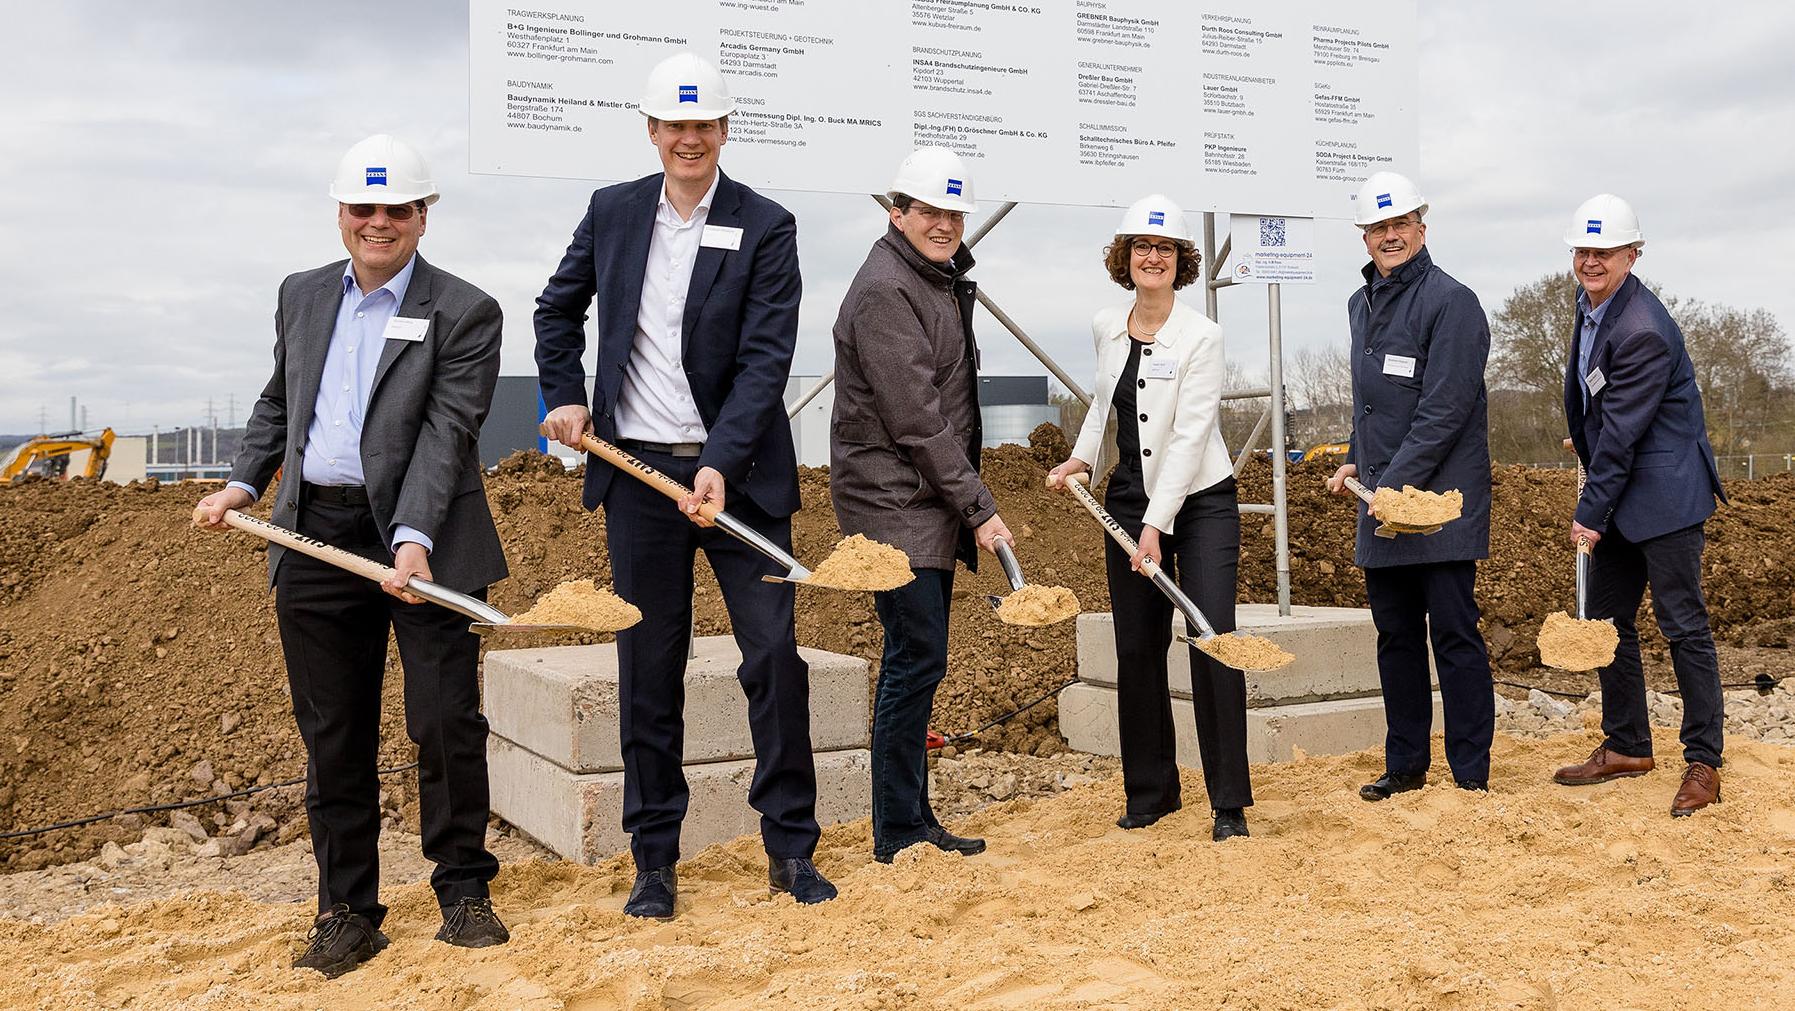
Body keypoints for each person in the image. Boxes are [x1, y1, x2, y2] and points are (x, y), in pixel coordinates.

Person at [193, 135, 510, 977]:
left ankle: (463, 889)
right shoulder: (301, 296)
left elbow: (447, 434)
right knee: (334, 731)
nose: (378, 223)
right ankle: (348, 910)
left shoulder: (466, 311)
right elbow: (277, 402)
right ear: (341, 213)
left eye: (396, 210)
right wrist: (240, 485)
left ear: (422, 217)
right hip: (313, 536)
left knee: (444, 719)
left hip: (427, 538)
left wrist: (413, 536)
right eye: (362, 209)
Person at [534, 52, 832, 916]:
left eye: (705, 125)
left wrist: (720, 462)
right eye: (675, 125)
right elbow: (558, 309)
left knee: (774, 656)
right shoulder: (613, 212)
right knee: (648, 668)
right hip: (635, 474)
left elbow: (764, 359)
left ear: (724, 130)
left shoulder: (766, 224)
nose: (690, 138)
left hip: (736, 475)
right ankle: (654, 858)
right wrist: (563, 393)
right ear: (653, 130)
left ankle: (790, 848)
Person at [1046, 195, 1252, 841]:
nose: (1152, 257)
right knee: (1136, 647)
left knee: (1210, 637)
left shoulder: (1201, 335)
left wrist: (1156, 526)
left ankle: (1227, 801)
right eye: (1141, 247)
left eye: (1164, 248)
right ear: (1124, 257)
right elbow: (1101, 403)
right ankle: (1152, 790)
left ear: (1181, 260)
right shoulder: (1107, 324)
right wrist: (1081, 459)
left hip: (1199, 501)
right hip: (1130, 498)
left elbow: (1190, 435)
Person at [829, 147, 1011, 863]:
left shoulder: (928, 279)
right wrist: (978, 506)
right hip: (891, 500)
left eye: (953, 213)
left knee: (919, 657)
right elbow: (915, 418)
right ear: (896, 212)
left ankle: (908, 818)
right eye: (929, 211)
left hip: (919, 498)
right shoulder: (885, 290)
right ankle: (898, 828)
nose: (943, 224)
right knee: (914, 656)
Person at [1549, 194, 1727, 816]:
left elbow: (1625, 435)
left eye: (1605, 252)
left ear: (1633, 254)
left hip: (1665, 495)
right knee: (1605, 623)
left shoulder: (1643, 328)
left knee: (1684, 628)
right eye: (1583, 250)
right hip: (1622, 486)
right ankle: (1628, 745)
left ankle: (1704, 762)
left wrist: (1588, 515)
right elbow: (1608, 407)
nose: (1591, 261)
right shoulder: (1593, 303)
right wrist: (1589, 437)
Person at [1324, 171, 1495, 799]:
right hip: (1385, 503)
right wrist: (1354, 461)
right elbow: (1373, 407)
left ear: (1422, 228)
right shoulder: (1359, 303)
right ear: (1364, 237)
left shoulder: (1453, 302)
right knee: (1395, 635)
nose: (1389, 237)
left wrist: (1391, 486)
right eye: (1378, 228)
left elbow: (1444, 409)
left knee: (1453, 633)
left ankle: (1470, 772)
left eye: (1400, 225)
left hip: (1439, 505)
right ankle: (1405, 766)